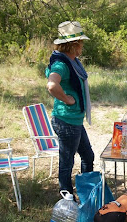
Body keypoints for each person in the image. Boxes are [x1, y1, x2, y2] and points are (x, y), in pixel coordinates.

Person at [46, 21, 94, 195]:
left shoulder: (73, 61)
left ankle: (87, 190)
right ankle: (66, 195)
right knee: (67, 161)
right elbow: (52, 85)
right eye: (81, 42)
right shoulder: (62, 64)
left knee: (88, 156)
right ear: (74, 45)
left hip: (75, 121)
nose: (82, 46)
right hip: (66, 121)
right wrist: (67, 99)